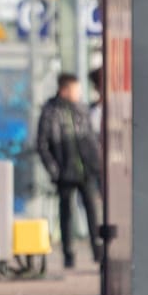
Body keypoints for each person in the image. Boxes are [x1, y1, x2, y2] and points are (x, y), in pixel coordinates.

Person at [36, 72, 104, 270]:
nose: (79, 93)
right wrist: (53, 169)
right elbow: (42, 144)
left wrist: (95, 163)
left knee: (92, 210)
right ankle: (68, 254)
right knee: (66, 213)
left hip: (85, 170)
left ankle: (97, 250)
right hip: (64, 171)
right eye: (76, 89)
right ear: (64, 90)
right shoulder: (50, 112)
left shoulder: (81, 110)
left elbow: (90, 138)